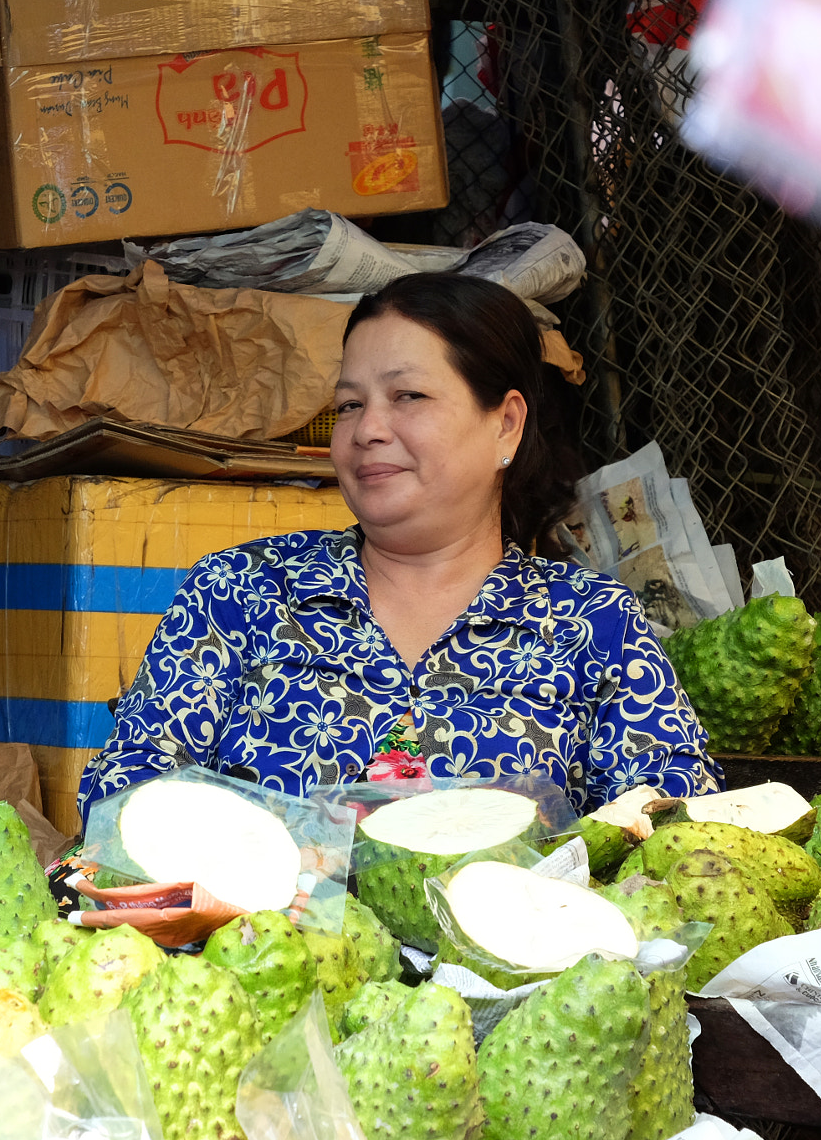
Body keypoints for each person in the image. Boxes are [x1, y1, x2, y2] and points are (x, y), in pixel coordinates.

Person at [76, 272, 720, 825]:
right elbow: (123, 789)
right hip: (265, 957)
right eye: (350, 405)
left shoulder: (593, 622)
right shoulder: (242, 590)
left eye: (407, 396)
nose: (368, 430)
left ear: (506, 424)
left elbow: (679, 816)